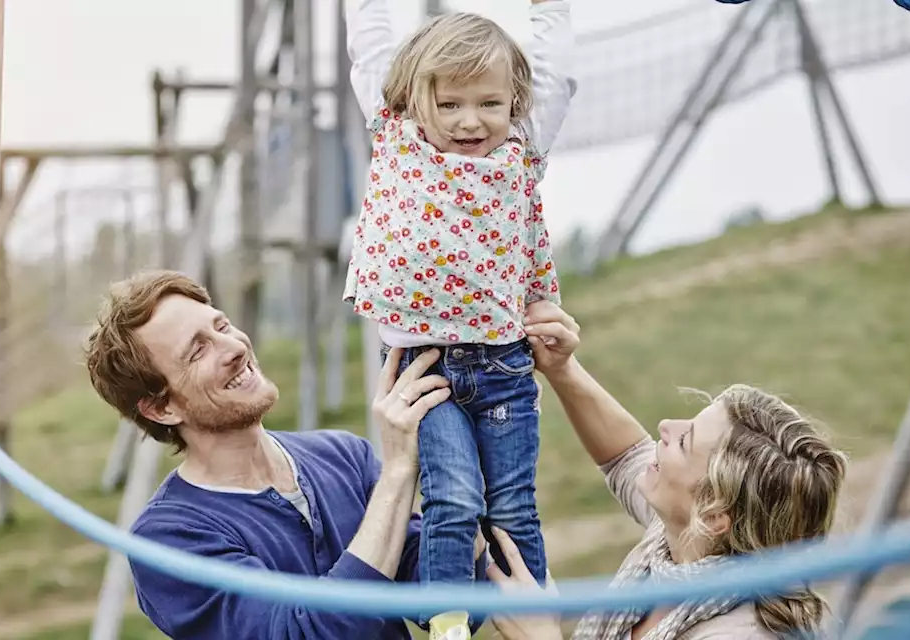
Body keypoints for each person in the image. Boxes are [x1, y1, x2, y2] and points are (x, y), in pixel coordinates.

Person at [341, 0, 576, 636]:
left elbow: (558, 73)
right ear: (417, 99)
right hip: (426, 372)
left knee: (513, 507)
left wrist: (550, 8)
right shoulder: (394, 133)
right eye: (449, 105)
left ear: (513, 104)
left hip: (501, 368)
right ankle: (447, 624)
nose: (470, 121)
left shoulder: (522, 149)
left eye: (489, 104)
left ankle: (532, 618)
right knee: (453, 498)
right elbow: (369, 43)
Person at [84, 270, 482, 639]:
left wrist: (464, 452)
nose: (234, 347)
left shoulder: (344, 456)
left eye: (221, 325)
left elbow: (448, 601)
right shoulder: (169, 541)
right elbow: (305, 633)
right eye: (197, 351)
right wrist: (397, 472)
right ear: (161, 408)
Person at [480, 302, 848, 640]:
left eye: (685, 441)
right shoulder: (682, 543)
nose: (665, 425)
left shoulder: (740, 633)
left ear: (716, 513)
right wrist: (562, 368)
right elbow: (626, 455)